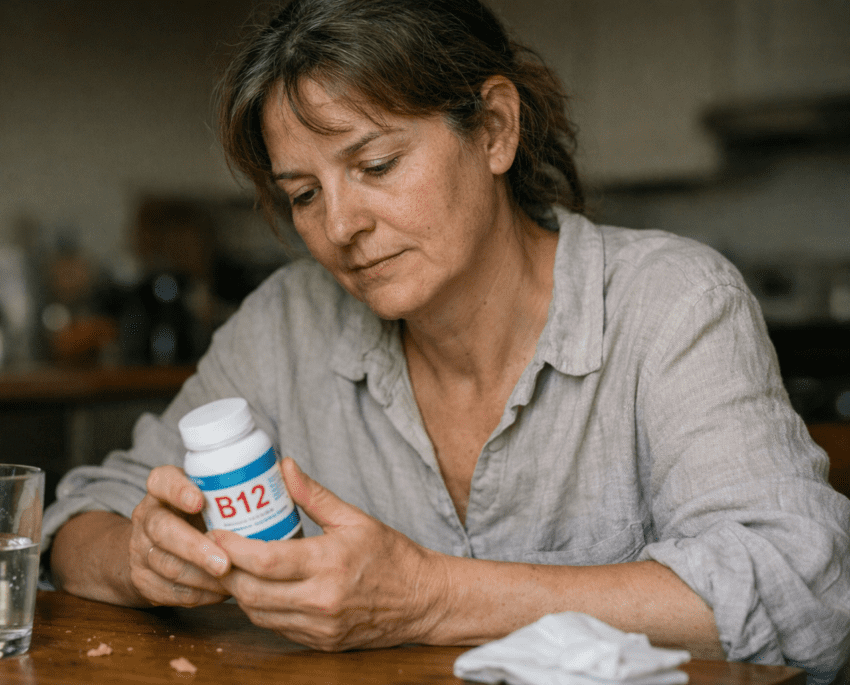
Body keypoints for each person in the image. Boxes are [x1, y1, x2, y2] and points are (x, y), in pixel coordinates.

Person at [43, 0, 850, 681]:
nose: (341, 227)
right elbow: (82, 516)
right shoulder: (289, 320)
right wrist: (142, 556)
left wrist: (430, 593)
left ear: (495, 129)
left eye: (378, 163)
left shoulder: (671, 303)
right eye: (303, 193)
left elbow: (809, 592)